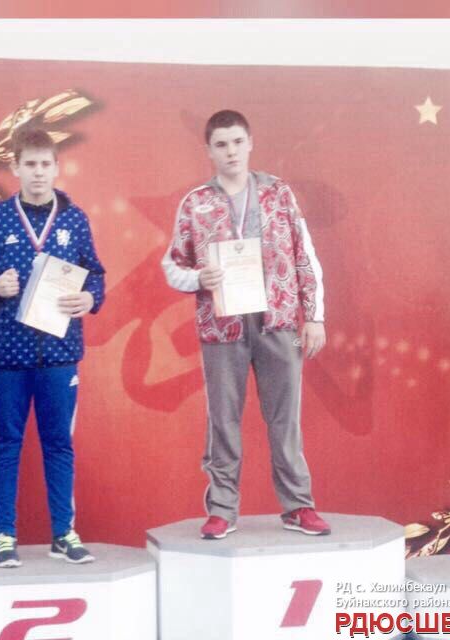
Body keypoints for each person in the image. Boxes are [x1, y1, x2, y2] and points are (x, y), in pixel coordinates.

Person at [162, 110, 330, 540]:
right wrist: (198, 278)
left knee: (285, 418)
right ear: (209, 150)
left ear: (250, 143)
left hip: (278, 319)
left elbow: (304, 254)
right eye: (221, 144)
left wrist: (314, 316)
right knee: (223, 419)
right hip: (223, 326)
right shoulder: (196, 202)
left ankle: (298, 505)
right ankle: (222, 510)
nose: (231, 151)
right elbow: (173, 265)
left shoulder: (278, 193)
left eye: (237, 142)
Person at [0, 127, 105, 566]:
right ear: (15, 168)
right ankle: (5, 535)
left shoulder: (75, 219)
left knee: (59, 443)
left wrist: (90, 299)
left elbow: (95, 274)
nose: (38, 173)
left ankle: (63, 533)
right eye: (30, 164)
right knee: (6, 444)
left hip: (59, 354)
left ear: (57, 167)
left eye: (46, 164)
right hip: (6, 353)